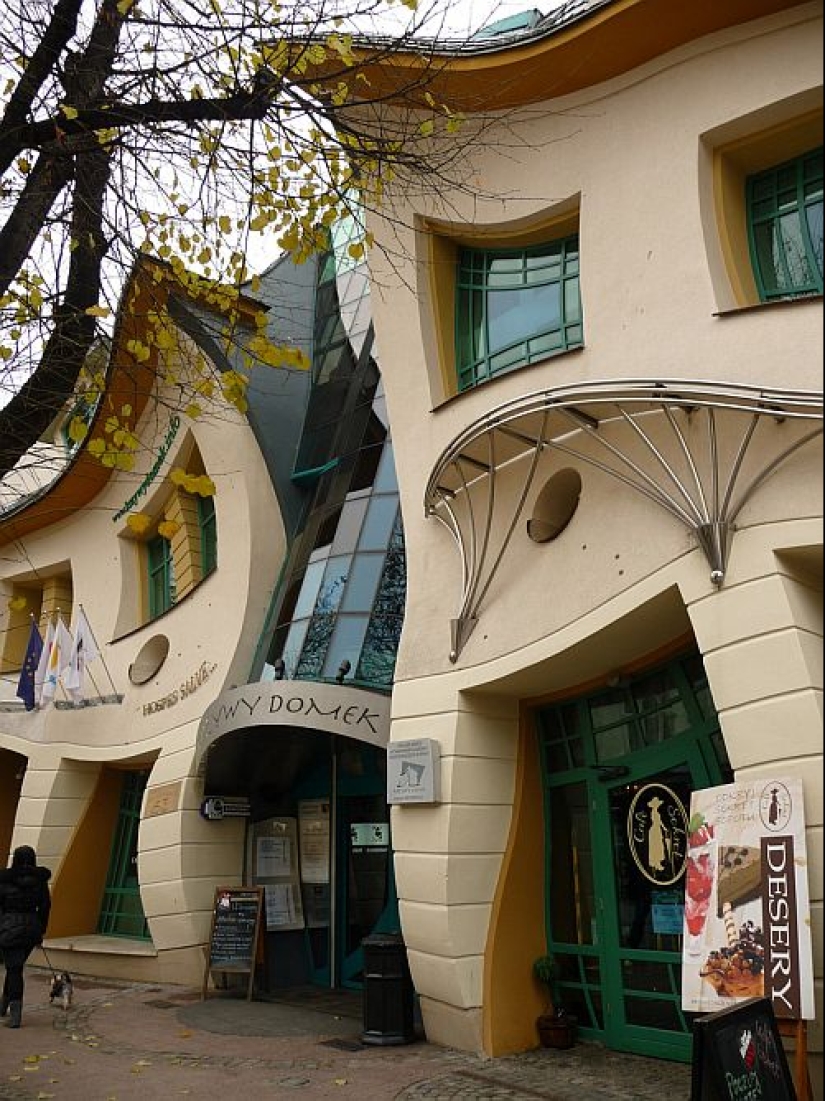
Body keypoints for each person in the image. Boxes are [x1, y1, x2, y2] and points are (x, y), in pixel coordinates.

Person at [0, 845, 52, 1028]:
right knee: (15, 966)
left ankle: (15, 1016)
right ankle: (4, 1005)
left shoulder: (4, 880)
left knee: (14, 969)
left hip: (9, 927)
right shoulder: (40, 880)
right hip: (31, 928)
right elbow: (45, 907)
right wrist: (41, 930)